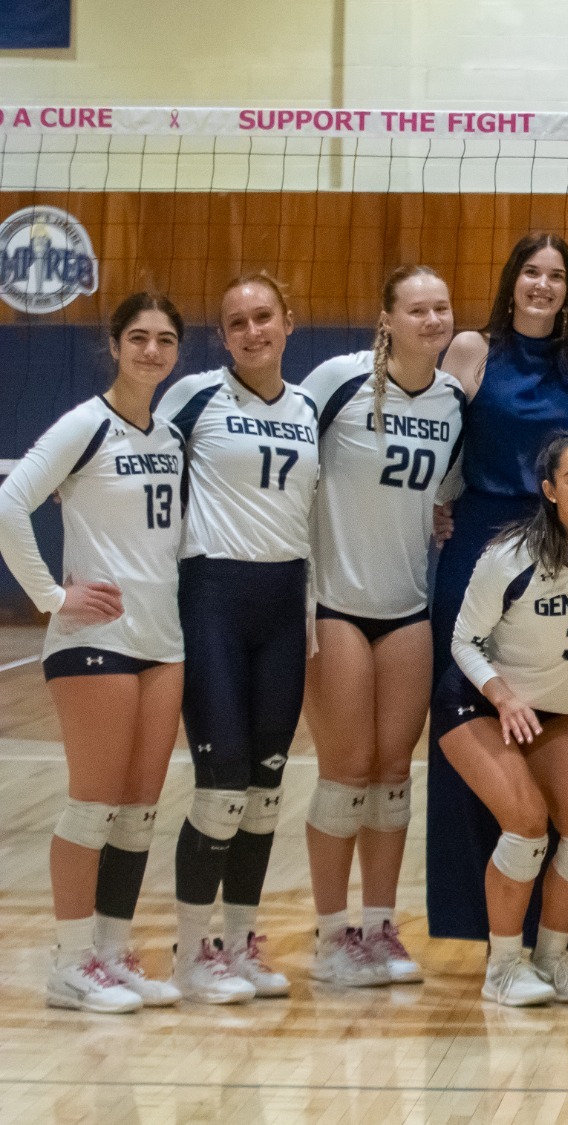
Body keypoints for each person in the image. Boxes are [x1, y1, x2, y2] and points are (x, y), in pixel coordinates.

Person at [0, 293, 188, 1012]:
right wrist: (52, 596)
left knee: (138, 810)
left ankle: (112, 952)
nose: (150, 350)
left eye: (164, 339)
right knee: (92, 804)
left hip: (160, 643)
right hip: (95, 643)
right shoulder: (87, 424)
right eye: (138, 337)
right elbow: (11, 502)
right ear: (114, 344)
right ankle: (70, 960)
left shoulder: (170, 435)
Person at [156, 273, 322, 1003]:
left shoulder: (311, 406)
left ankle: (241, 940)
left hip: (286, 604)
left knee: (264, 790)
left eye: (263, 317)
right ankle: (192, 951)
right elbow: (135, 458)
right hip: (214, 599)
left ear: (289, 320)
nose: (252, 331)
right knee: (220, 788)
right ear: (222, 336)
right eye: (236, 323)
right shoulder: (193, 396)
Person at [429, 232, 568, 944]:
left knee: (542, 709)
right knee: (470, 712)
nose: (543, 284)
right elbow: (437, 442)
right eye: (532, 271)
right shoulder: (471, 348)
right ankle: (471, 915)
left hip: (552, 547)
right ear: (512, 280)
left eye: (556, 275)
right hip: (477, 541)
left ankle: (534, 923)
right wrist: (436, 504)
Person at [298, 266, 462, 989]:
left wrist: (441, 515)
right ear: (387, 317)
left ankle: (380, 925)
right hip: (334, 602)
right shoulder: (338, 379)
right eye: (416, 309)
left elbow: (445, 495)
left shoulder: (456, 402)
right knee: (346, 770)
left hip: (406, 605)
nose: (432, 319)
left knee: (394, 773)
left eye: (441, 308)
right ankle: (332, 934)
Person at [438, 433, 568, 1007]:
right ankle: (503, 967)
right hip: (479, 702)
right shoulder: (510, 556)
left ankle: (552, 958)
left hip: (555, 710)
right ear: (549, 491)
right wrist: (504, 695)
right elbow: (463, 640)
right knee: (524, 824)